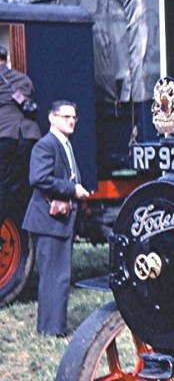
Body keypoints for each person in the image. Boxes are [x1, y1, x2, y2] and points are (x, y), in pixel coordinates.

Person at [21, 100, 90, 336]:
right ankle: (52, 328)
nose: (71, 121)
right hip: (48, 221)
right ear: (52, 118)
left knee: (58, 275)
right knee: (54, 276)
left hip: (57, 220)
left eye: (74, 117)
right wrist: (73, 190)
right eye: (65, 116)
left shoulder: (64, 144)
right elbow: (38, 179)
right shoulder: (46, 145)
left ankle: (52, 326)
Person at [0, 45, 42, 225]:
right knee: (19, 189)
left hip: (5, 134)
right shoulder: (23, 79)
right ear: (7, 58)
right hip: (29, 136)